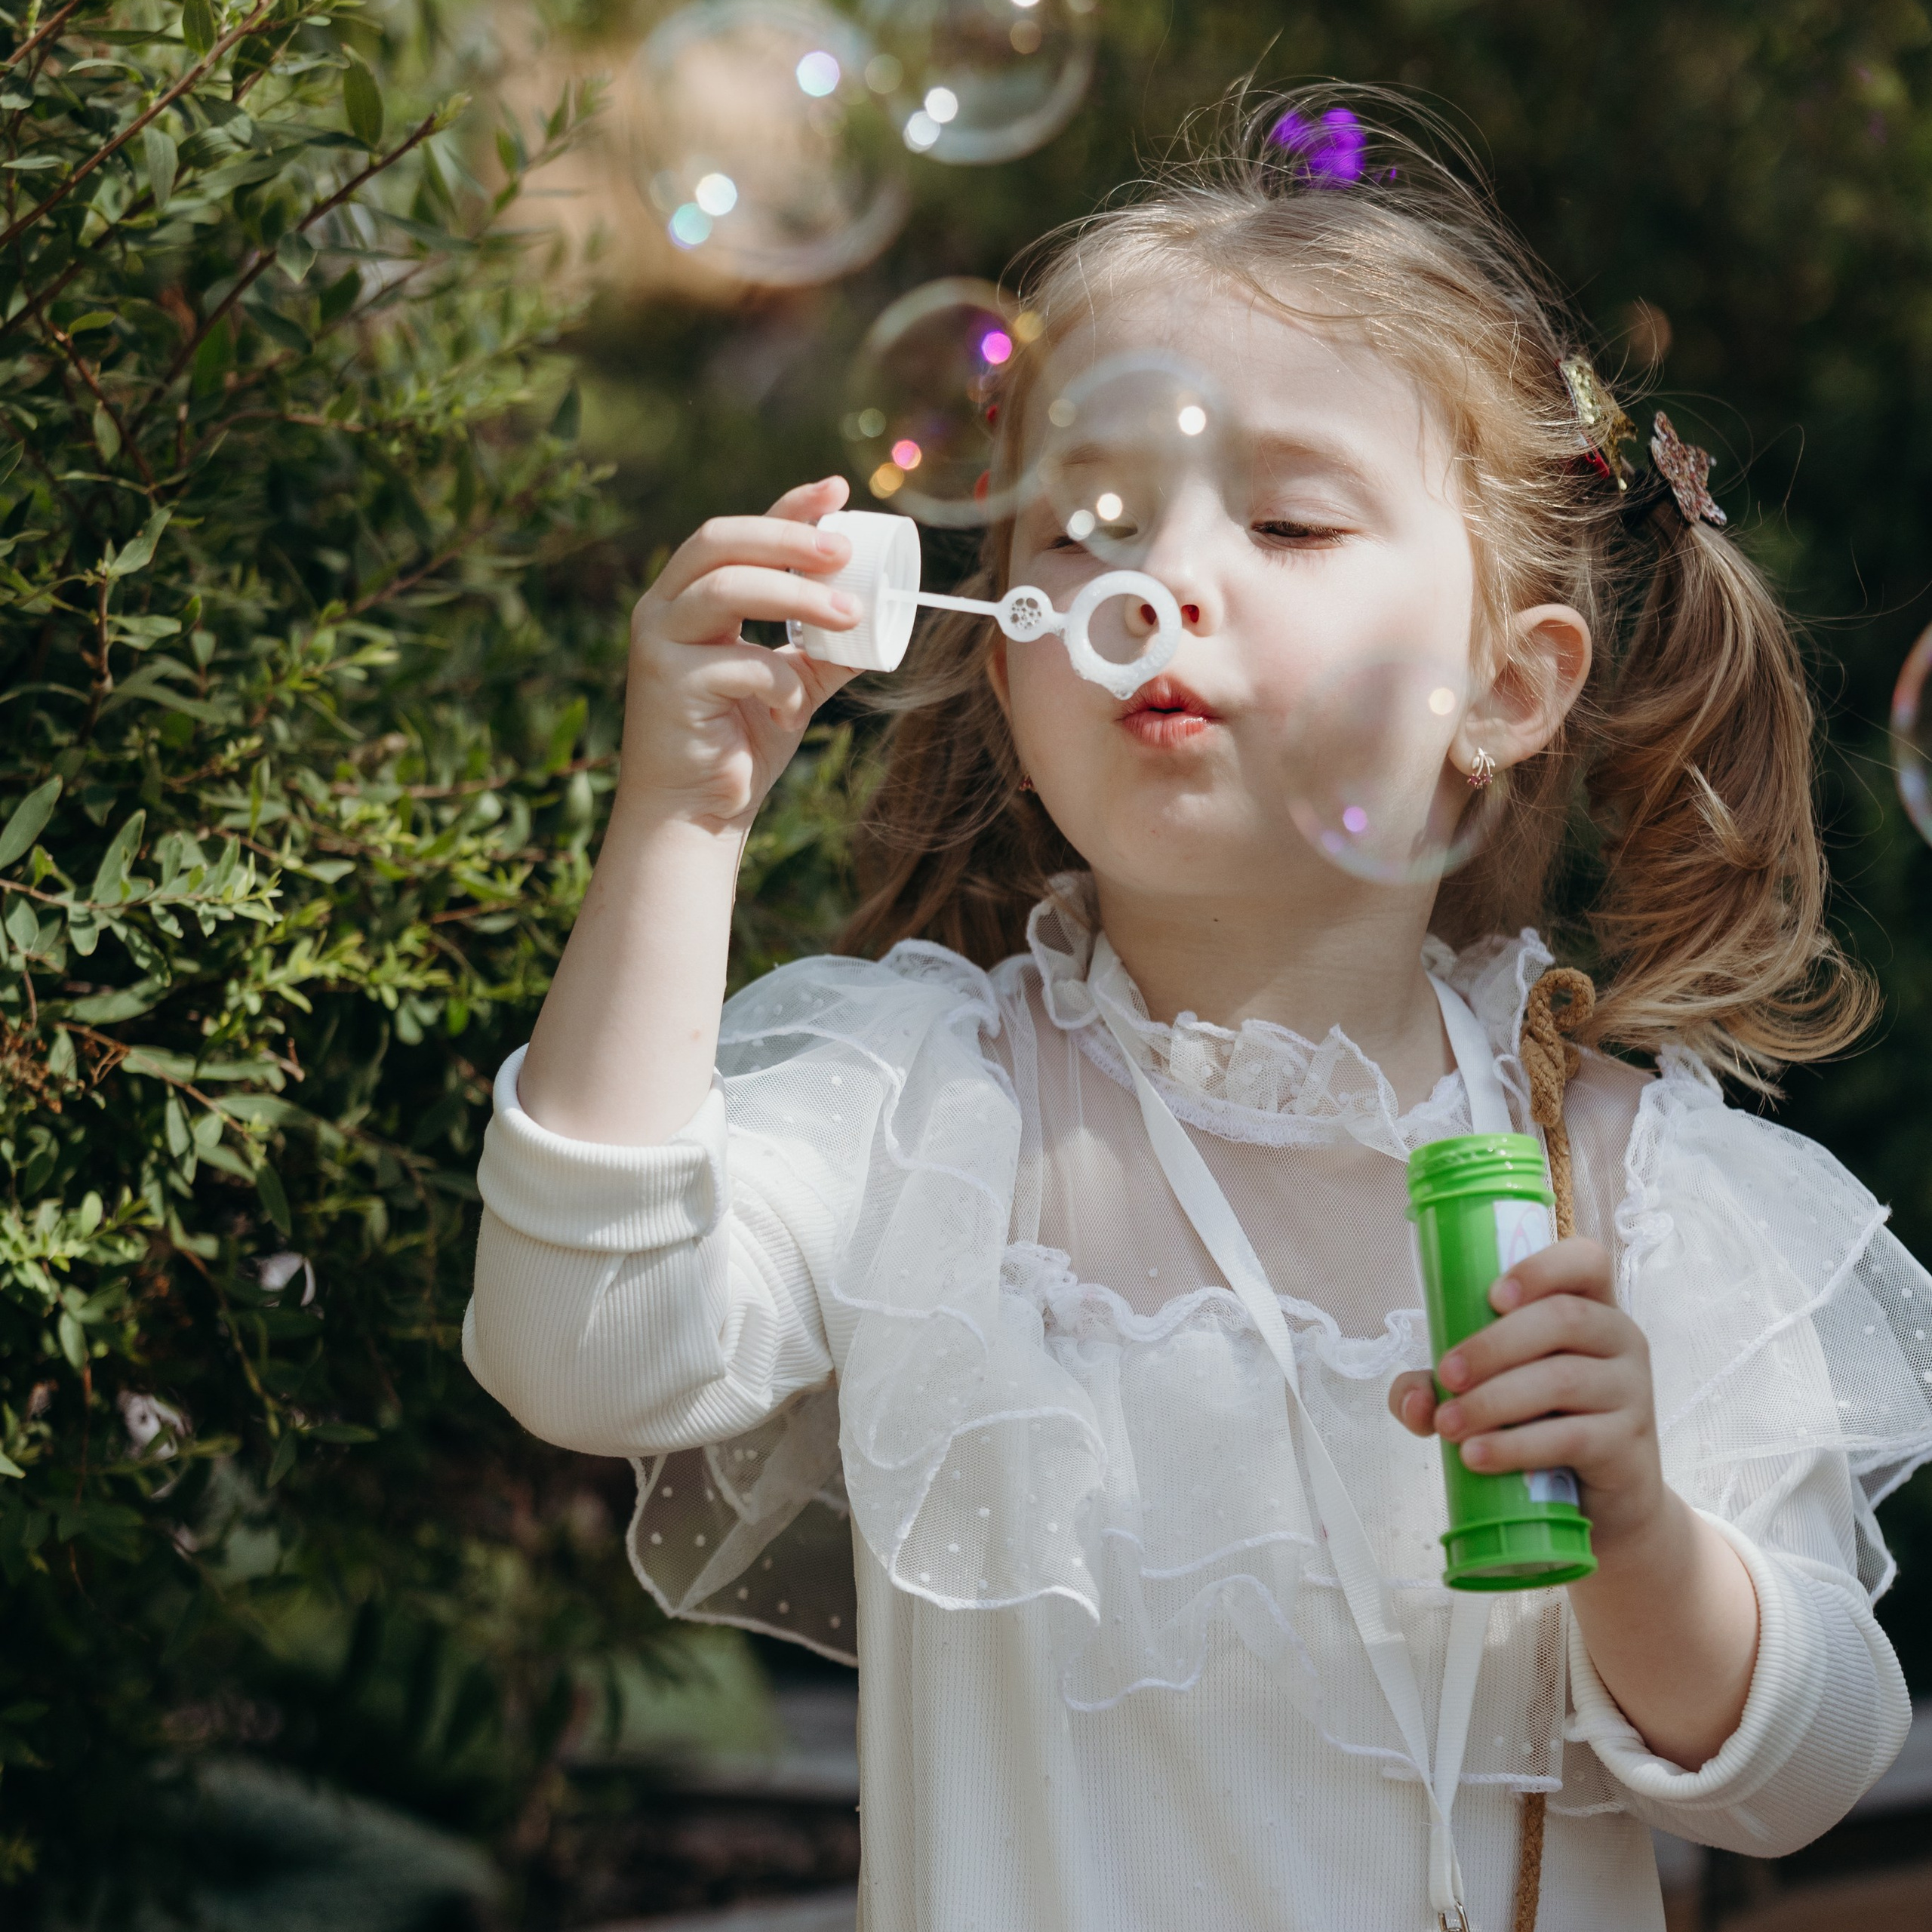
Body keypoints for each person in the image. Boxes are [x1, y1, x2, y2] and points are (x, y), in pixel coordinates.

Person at [463, 86, 1927, 1932]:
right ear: (1008, 649)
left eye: (1291, 522)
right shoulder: (919, 1109)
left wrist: (1635, 1526)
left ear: (1506, 682)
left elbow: (1806, 1776)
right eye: (1085, 521)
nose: (1162, 577)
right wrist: (678, 820)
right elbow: (581, 1345)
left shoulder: (1624, 1196)